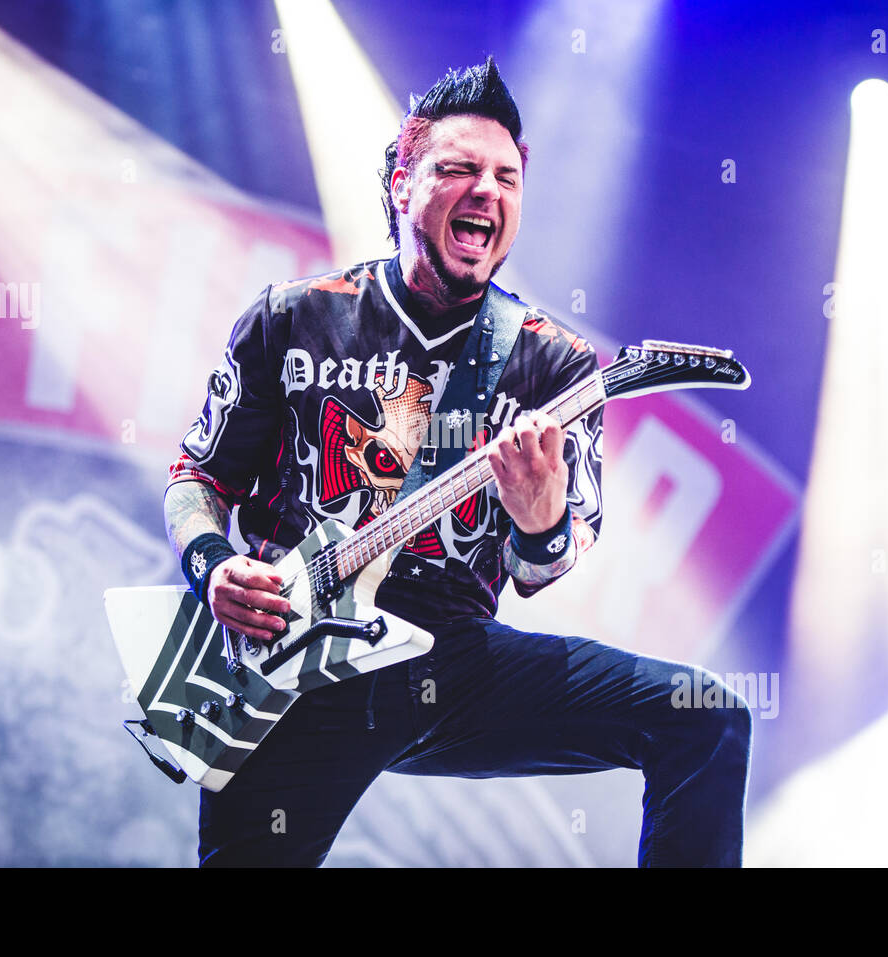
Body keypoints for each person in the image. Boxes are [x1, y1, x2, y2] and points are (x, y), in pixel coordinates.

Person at [164, 58, 752, 866]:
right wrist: (213, 569)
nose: (488, 191)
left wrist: (541, 516)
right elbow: (198, 478)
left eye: (507, 177)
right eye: (459, 169)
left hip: (452, 661)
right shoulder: (293, 317)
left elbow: (543, 565)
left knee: (708, 716)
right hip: (295, 667)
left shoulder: (553, 364)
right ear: (402, 185)